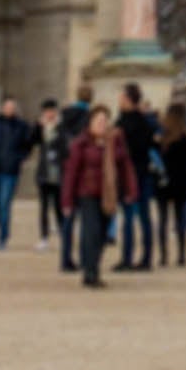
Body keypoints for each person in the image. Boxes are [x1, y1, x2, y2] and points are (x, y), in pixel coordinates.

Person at [60, 105, 137, 289]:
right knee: (91, 232)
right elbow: (71, 173)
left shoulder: (115, 141)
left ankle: (93, 266)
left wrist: (130, 190)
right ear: (91, 123)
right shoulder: (81, 143)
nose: (102, 124)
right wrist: (67, 200)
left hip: (108, 195)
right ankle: (90, 272)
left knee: (103, 234)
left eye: (105, 121)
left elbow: (126, 167)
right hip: (88, 193)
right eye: (98, 121)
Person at [0, 96, 35, 251]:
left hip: (10, 170)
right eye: (7, 107)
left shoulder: (22, 126)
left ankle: (3, 236)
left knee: (4, 203)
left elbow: (28, 145)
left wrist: (20, 158)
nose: (10, 110)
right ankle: (1, 227)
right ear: (2, 108)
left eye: (12, 107)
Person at [113, 84, 156, 273]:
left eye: (121, 98)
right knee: (144, 217)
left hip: (129, 174)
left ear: (129, 100)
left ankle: (127, 257)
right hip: (143, 172)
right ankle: (146, 257)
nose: (119, 101)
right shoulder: (145, 122)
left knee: (129, 217)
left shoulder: (123, 124)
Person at [154, 103, 186, 267]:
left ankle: (163, 255)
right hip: (180, 180)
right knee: (180, 219)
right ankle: (181, 255)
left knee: (163, 219)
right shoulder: (185, 136)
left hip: (163, 179)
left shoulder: (162, 135)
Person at [32, 99, 68, 255]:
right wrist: (38, 126)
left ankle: (63, 235)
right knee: (44, 207)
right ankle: (44, 237)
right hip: (44, 172)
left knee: (59, 207)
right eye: (47, 111)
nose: (50, 114)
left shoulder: (62, 127)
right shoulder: (41, 128)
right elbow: (31, 141)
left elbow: (66, 147)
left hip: (58, 171)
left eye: (52, 111)